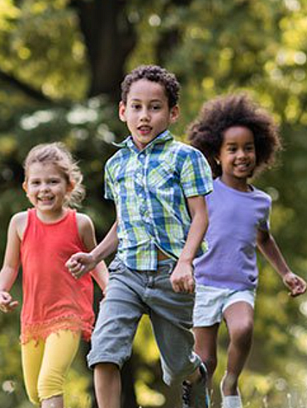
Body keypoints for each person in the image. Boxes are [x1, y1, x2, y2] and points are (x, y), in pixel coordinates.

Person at [65, 65, 214, 408]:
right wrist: (95, 256)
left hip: (171, 275)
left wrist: (185, 263)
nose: (144, 116)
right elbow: (124, 222)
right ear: (123, 111)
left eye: (155, 107)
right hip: (127, 273)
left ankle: (196, 376)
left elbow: (201, 217)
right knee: (103, 350)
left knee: (177, 368)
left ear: (172, 112)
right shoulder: (116, 165)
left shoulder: (185, 158)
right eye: (136, 106)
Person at [186, 93, 307, 408]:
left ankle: (231, 382)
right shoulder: (205, 193)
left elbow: (264, 239)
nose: (242, 155)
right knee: (205, 360)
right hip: (204, 284)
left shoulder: (261, 201)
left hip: (239, 284)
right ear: (216, 154)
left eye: (249, 148)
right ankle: (203, 399)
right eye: (233, 149)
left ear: (260, 151)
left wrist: (286, 273)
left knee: (243, 328)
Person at [0, 142, 109, 408]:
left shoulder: (80, 224)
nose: (44, 189)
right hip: (33, 316)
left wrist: (110, 289)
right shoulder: (19, 223)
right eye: (36, 183)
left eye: (53, 182)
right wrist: (1, 290)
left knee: (49, 383)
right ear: (26, 188)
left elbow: (95, 261)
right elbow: (10, 266)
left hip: (69, 314)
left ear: (68, 186)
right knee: (35, 393)